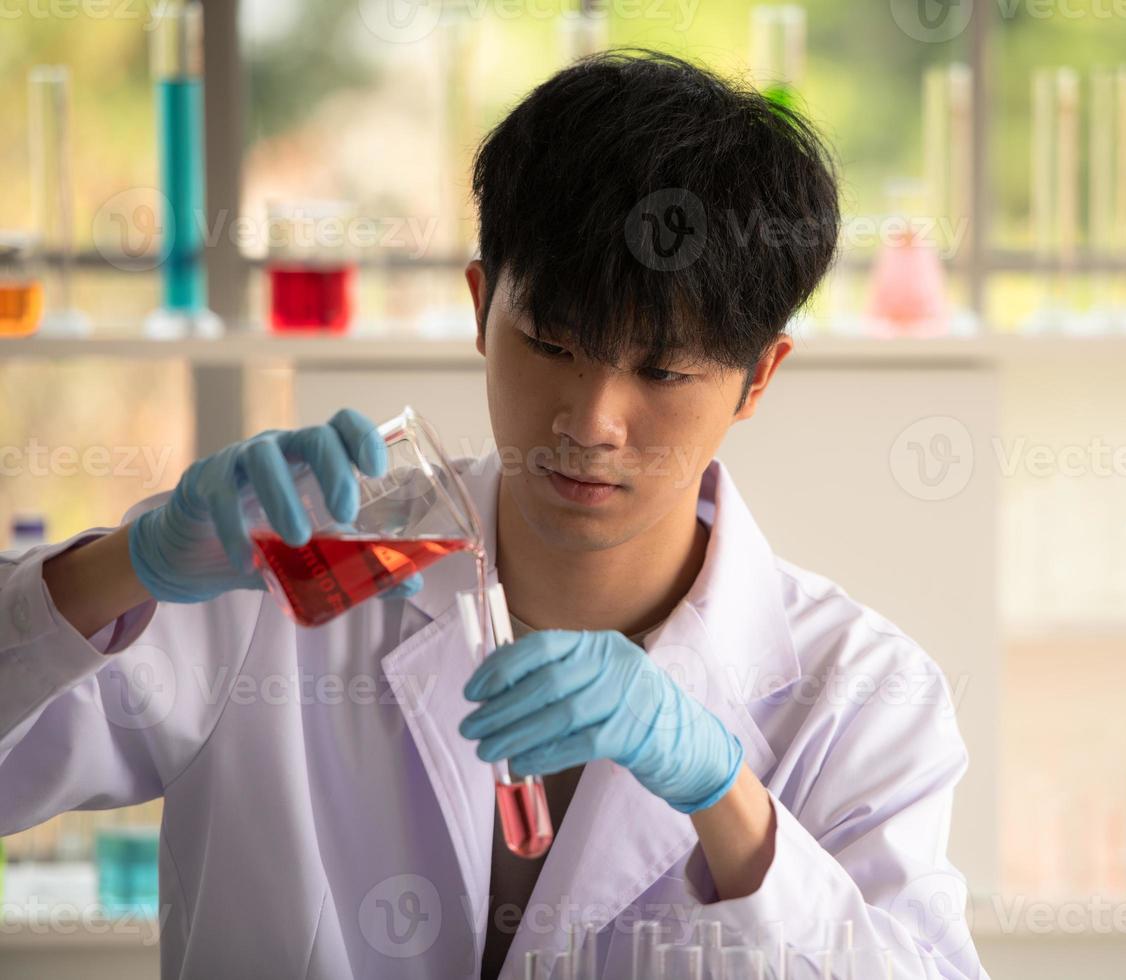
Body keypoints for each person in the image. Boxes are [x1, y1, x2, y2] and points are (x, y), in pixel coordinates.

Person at [0, 51, 983, 979]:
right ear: (481, 307)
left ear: (758, 377)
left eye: (664, 370)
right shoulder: (289, 578)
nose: (591, 420)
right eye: (551, 341)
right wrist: (126, 567)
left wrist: (722, 793)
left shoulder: (861, 692)